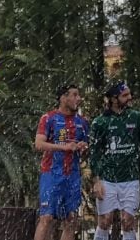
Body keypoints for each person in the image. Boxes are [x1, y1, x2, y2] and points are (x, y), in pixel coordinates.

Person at [90, 81, 140, 240]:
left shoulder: (136, 117)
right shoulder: (100, 122)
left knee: (128, 222)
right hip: (107, 179)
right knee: (105, 221)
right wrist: (96, 181)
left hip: (130, 179)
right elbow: (94, 153)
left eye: (129, 94)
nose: (130, 98)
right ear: (113, 99)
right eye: (125, 95)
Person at [33, 85, 89, 240]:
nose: (79, 99)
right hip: (51, 173)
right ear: (63, 98)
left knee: (71, 219)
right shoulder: (49, 118)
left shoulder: (83, 122)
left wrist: (83, 147)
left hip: (73, 174)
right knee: (47, 218)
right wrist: (63, 147)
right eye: (75, 95)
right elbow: (39, 144)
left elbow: (87, 145)